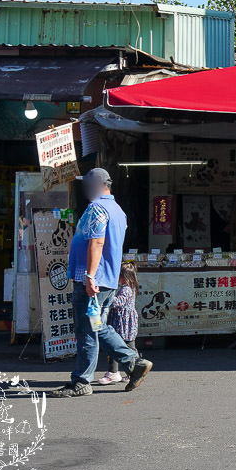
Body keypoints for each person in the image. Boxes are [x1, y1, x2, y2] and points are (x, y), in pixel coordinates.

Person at [52, 168, 153, 398]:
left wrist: (89, 276)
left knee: (87, 329)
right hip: (106, 281)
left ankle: (82, 381)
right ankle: (132, 363)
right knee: (99, 326)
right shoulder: (118, 211)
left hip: (93, 282)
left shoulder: (97, 208)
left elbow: (97, 243)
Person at [95, 261, 140, 386]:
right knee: (130, 346)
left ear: (124, 276)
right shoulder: (131, 287)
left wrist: (105, 295)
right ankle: (136, 370)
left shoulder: (125, 289)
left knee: (113, 346)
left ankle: (113, 373)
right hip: (127, 323)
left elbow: (117, 303)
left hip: (121, 322)